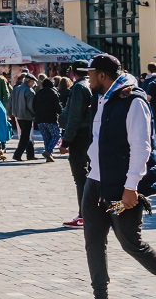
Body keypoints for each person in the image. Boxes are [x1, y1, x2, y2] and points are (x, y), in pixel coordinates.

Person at [81, 54, 156, 299]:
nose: (88, 78)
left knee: (131, 243)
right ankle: (100, 295)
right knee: (93, 243)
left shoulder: (133, 101)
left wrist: (131, 186)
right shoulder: (101, 99)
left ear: (103, 75)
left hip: (121, 184)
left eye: (91, 73)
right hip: (94, 182)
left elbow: (141, 147)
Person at [58, 59, 95, 228]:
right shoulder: (90, 85)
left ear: (73, 72)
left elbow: (74, 116)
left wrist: (66, 141)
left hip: (80, 135)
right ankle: (89, 212)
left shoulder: (79, 87)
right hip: (89, 134)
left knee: (80, 177)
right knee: (88, 175)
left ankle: (84, 214)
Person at [33, 77, 62, 163]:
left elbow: (34, 106)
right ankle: (48, 152)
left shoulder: (38, 93)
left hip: (40, 120)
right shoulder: (53, 93)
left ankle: (48, 156)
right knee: (56, 135)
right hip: (51, 119)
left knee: (46, 138)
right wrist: (61, 113)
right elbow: (58, 107)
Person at [10, 74, 37, 161]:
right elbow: (31, 106)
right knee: (25, 137)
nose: (33, 84)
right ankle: (17, 154)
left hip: (18, 115)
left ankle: (30, 154)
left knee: (25, 135)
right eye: (33, 82)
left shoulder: (17, 89)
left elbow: (11, 102)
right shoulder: (29, 91)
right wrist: (35, 114)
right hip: (27, 116)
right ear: (30, 82)